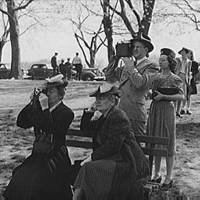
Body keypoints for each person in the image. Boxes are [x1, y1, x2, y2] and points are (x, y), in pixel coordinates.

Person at [73, 82, 149, 200]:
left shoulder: (118, 116)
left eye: (101, 98)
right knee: (85, 168)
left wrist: (90, 158)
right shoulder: (104, 116)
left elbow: (113, 146)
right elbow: (85, 130)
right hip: (112, 159)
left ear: (113, 101)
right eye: (96, 98)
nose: (97, 101)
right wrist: (89, 112)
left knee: (88, 168)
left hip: (126, 163)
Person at [4, 74, 74, 200]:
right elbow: (21, 122)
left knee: (37, 179)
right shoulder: (41, 110)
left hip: (56, 156)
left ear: (60, 94)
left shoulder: (67, 112)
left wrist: (45, 108)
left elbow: (50, 129)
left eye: (51, 91)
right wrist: (32, 103)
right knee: (21, 174)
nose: (47, 94)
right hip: (39, 154)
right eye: (46, 91)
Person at [105, 33, 159, 135]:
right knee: (120, 146)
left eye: (138, 47)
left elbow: (140, 83)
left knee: (135, 146)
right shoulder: (128, 66)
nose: (135, 49)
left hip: (135, 114)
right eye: (133, 47)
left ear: (146, 50)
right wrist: (116, 59)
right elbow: (109, 76)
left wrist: (130, 67)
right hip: (121, 112)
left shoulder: (152, 66)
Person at [146, 48, 184, 190]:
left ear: (170, 62)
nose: (160, 62)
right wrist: (150, 95)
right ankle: (156, 174)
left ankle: (169, 176)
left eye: (163, 60)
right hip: (155, 109)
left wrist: (165, 97)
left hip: (167, 109)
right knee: (154, 140)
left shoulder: (175, 78)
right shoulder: (156, 77)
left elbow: (181, 96)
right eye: (159, 60)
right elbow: (150, 91)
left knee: (168, 141)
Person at [175, 47, 192, 117]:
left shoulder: (189, 62)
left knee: (182, 95)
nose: (182, 53)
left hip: (185, 78)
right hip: (178, 76)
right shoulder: (177, 59)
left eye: (184, 52)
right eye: (181, 52)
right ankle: (174, 110)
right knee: (176, 93)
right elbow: (175, 68)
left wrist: (189, 79)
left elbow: (188, 71)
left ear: (186, 53)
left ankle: (178, 111)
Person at [185, 49, 199, 114]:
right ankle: (182, 108)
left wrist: (192, 76)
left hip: (191, 79)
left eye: (188, 53)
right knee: (183, 94)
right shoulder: (184, 62)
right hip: (184, 80)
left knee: (188, 95)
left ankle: (188, 108)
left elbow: (196, 72)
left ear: (191, 54)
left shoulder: (194, 63)